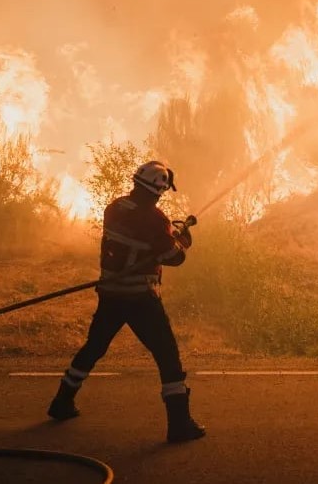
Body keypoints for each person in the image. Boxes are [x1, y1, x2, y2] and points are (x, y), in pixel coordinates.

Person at [47, 160, 206, 443]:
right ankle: (179, 424)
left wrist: (169, 235)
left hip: (111, 294)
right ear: (159, 190)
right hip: (140, 298)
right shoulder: (155, 220)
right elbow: (174, 257)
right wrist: (182, 241)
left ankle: (62, 402)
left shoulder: (115, 208)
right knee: (167, 355)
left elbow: (144, 242)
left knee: (94, 347)